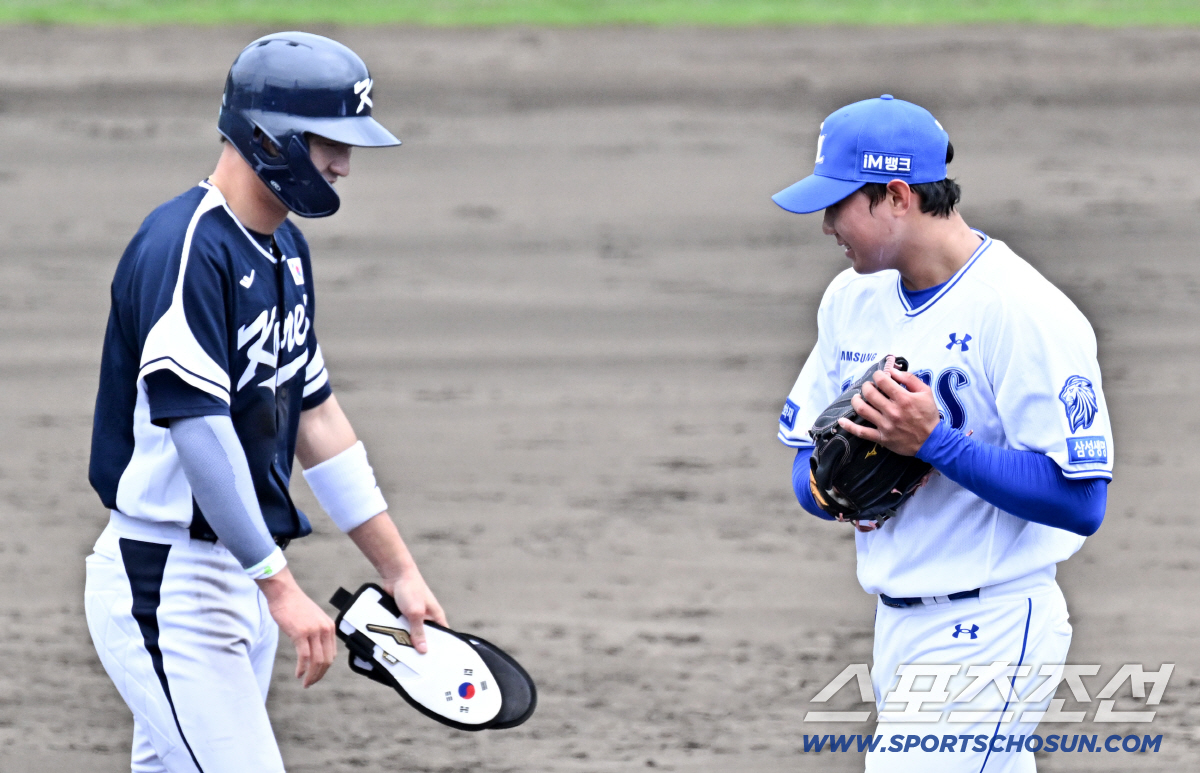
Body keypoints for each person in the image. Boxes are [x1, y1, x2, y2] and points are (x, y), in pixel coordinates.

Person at [84, 32, 445, 773]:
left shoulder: (284, 251)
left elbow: (316, 419)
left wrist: (400, 570)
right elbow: (198, 430)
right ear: (269, 136)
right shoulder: (184, 247)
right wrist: (278, 583)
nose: (343, 165)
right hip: (168, 585)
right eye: (327, 143)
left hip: (236, 579)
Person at [773, 95, 1113, 771]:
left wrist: (935, 444)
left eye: (837, 204)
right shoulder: (851, 299)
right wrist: (834, 487)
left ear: (896, 196)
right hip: (896, 626)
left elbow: (1083, 501)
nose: (826, 226)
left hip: (990, 626)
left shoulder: (1021, 312)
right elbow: (806, 467)